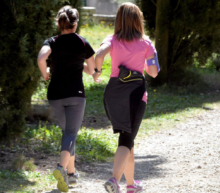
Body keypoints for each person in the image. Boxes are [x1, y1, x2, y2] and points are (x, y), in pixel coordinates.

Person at [93, 2, 159, 193]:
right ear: (139, 20)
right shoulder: (146, 44)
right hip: (135, 95)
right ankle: (114, 180)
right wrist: (146, 62)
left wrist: (98, 71)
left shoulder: (112, 39)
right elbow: (153, 72)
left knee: (127, 139)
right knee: (126, 139)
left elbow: (99, 55)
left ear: (119, 20)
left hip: (113, 93)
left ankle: (131, 185)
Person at [37, 5, 95, 192]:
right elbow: (91, 68)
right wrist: (90, 71)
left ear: (60, 23)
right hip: (76, 95)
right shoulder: (82, 43)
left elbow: (41, 59)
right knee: (70, 133)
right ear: (75, 23)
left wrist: (45, 73)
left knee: (68, 134)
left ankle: (71, 174)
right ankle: (61, 169)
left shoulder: (52, 41)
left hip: (55, 95)